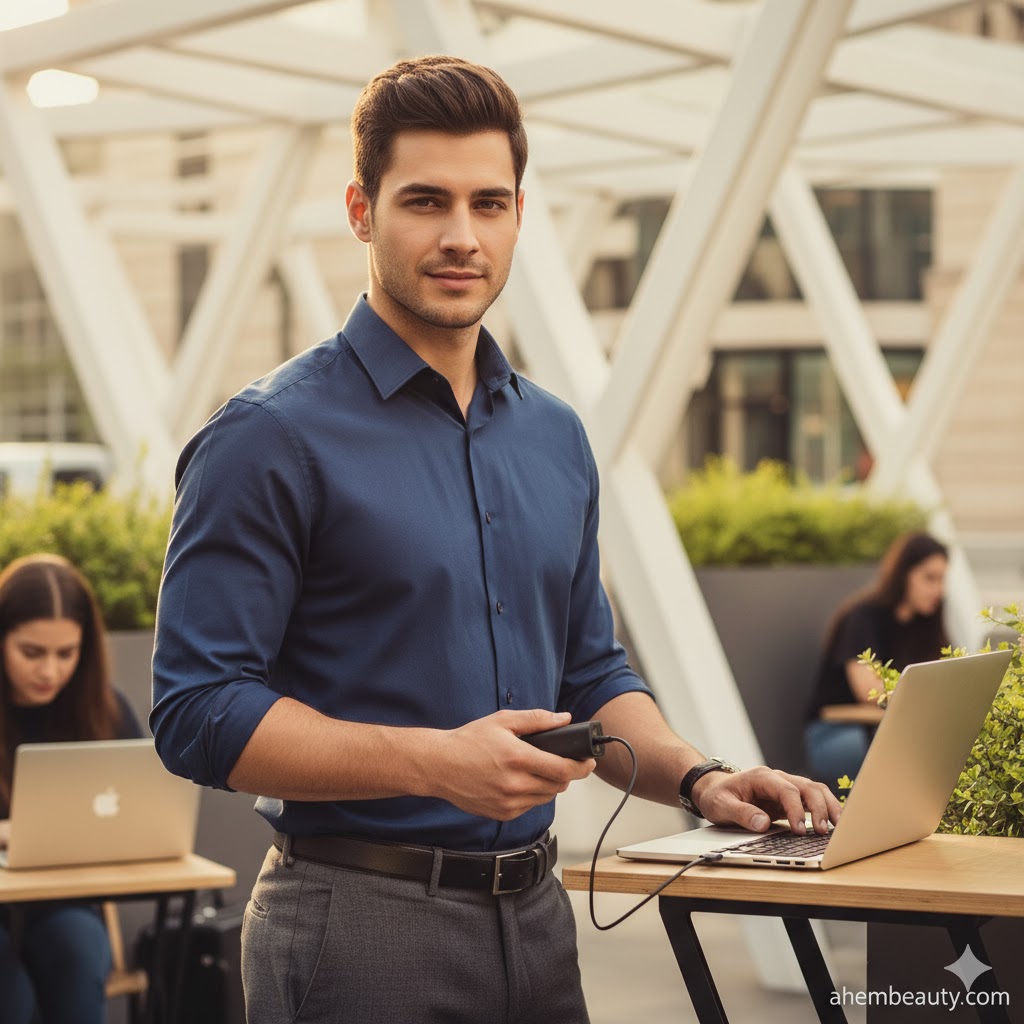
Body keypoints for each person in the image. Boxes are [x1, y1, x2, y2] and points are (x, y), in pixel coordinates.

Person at [151, 55, 841, 1024]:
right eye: (425, 201)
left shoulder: (554, 434)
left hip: (539, 921)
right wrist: (431, 761)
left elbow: (591, 673)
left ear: (521, 211)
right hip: (357, 926)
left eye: (489, 202)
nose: (460, 235)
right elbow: (197, 710)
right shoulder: (268, 436)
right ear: (361, 209)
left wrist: (703, 777)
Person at [0, 553, 144, 1024]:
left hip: (60, 900)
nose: (50, 672)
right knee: (11, 999)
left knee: (79, 953)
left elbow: (143, 800)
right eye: (31, 652)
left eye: (66, 654)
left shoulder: (101, 709)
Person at [804, 531, 950, 791]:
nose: (938, 590)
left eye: (941, 580)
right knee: (906, 760)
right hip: (837, 732)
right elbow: (869, 692)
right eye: (929, 578)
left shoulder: (928, 623)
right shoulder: (864, 617)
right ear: (904, 574)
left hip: (888, 731)